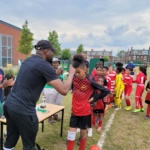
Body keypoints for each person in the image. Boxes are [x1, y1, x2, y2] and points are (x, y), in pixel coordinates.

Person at [3, 40, 76, 150]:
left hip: (9, 106)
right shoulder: (45, 65)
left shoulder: (28, 60)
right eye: (52, 51)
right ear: (46, 51)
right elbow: (64, 90)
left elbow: (36, 78)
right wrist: (71, 74)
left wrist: (53, 75)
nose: (53, 54)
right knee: (29, 146)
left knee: (10, 142)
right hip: (24, 110)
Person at [66, 54, 109, 150]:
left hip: (85, 112)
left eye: (78, 72)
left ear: (85, 69)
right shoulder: (73, 79)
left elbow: (105, 91)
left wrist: (94, 98)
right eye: (74, 72)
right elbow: (71, 88)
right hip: (74, 111)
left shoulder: (90, 81)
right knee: (71, 134)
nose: (76, 74)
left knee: (83, 134)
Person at [43, 57, 64, 123]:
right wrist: (56, 74)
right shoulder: (48, 70)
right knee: (50, 103)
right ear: (51, 64)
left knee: (58, 103)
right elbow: (48, 82)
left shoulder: (60, 70)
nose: (56, 64)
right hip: (49, 89)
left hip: (58, 89)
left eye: (57, 62)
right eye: (54, 63)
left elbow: (61, 80)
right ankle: (49, 117)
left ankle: (56, 116)